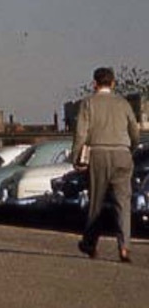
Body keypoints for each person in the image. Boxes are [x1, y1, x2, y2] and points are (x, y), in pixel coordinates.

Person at [71, 66, 139, 262]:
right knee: (123, 203)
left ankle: (90, 243)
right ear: (113, 83)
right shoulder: (123, 103)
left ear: (94, 84)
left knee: (97, 202)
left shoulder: (88, 103)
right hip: (122, 153)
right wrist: (130, 149)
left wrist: (76, 157)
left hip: (98, 154)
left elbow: (81, 133)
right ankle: (124, 246)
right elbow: (134, 130)